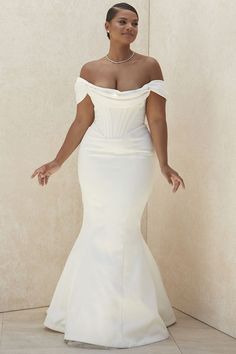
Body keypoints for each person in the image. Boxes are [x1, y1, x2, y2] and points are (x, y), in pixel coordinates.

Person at [31, 2, 185, 349]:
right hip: (97, 156)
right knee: (98, 228)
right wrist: (57, 162)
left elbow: (156, 119)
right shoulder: (89, 69)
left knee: (123, 229)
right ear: (107, 26)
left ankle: (132, 316)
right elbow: (82, 121)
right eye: (123, 21)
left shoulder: (149, 66)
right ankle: (91, 314)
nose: (130, 27)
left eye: (135, 23)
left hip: (135, 155)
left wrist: (164, 164)